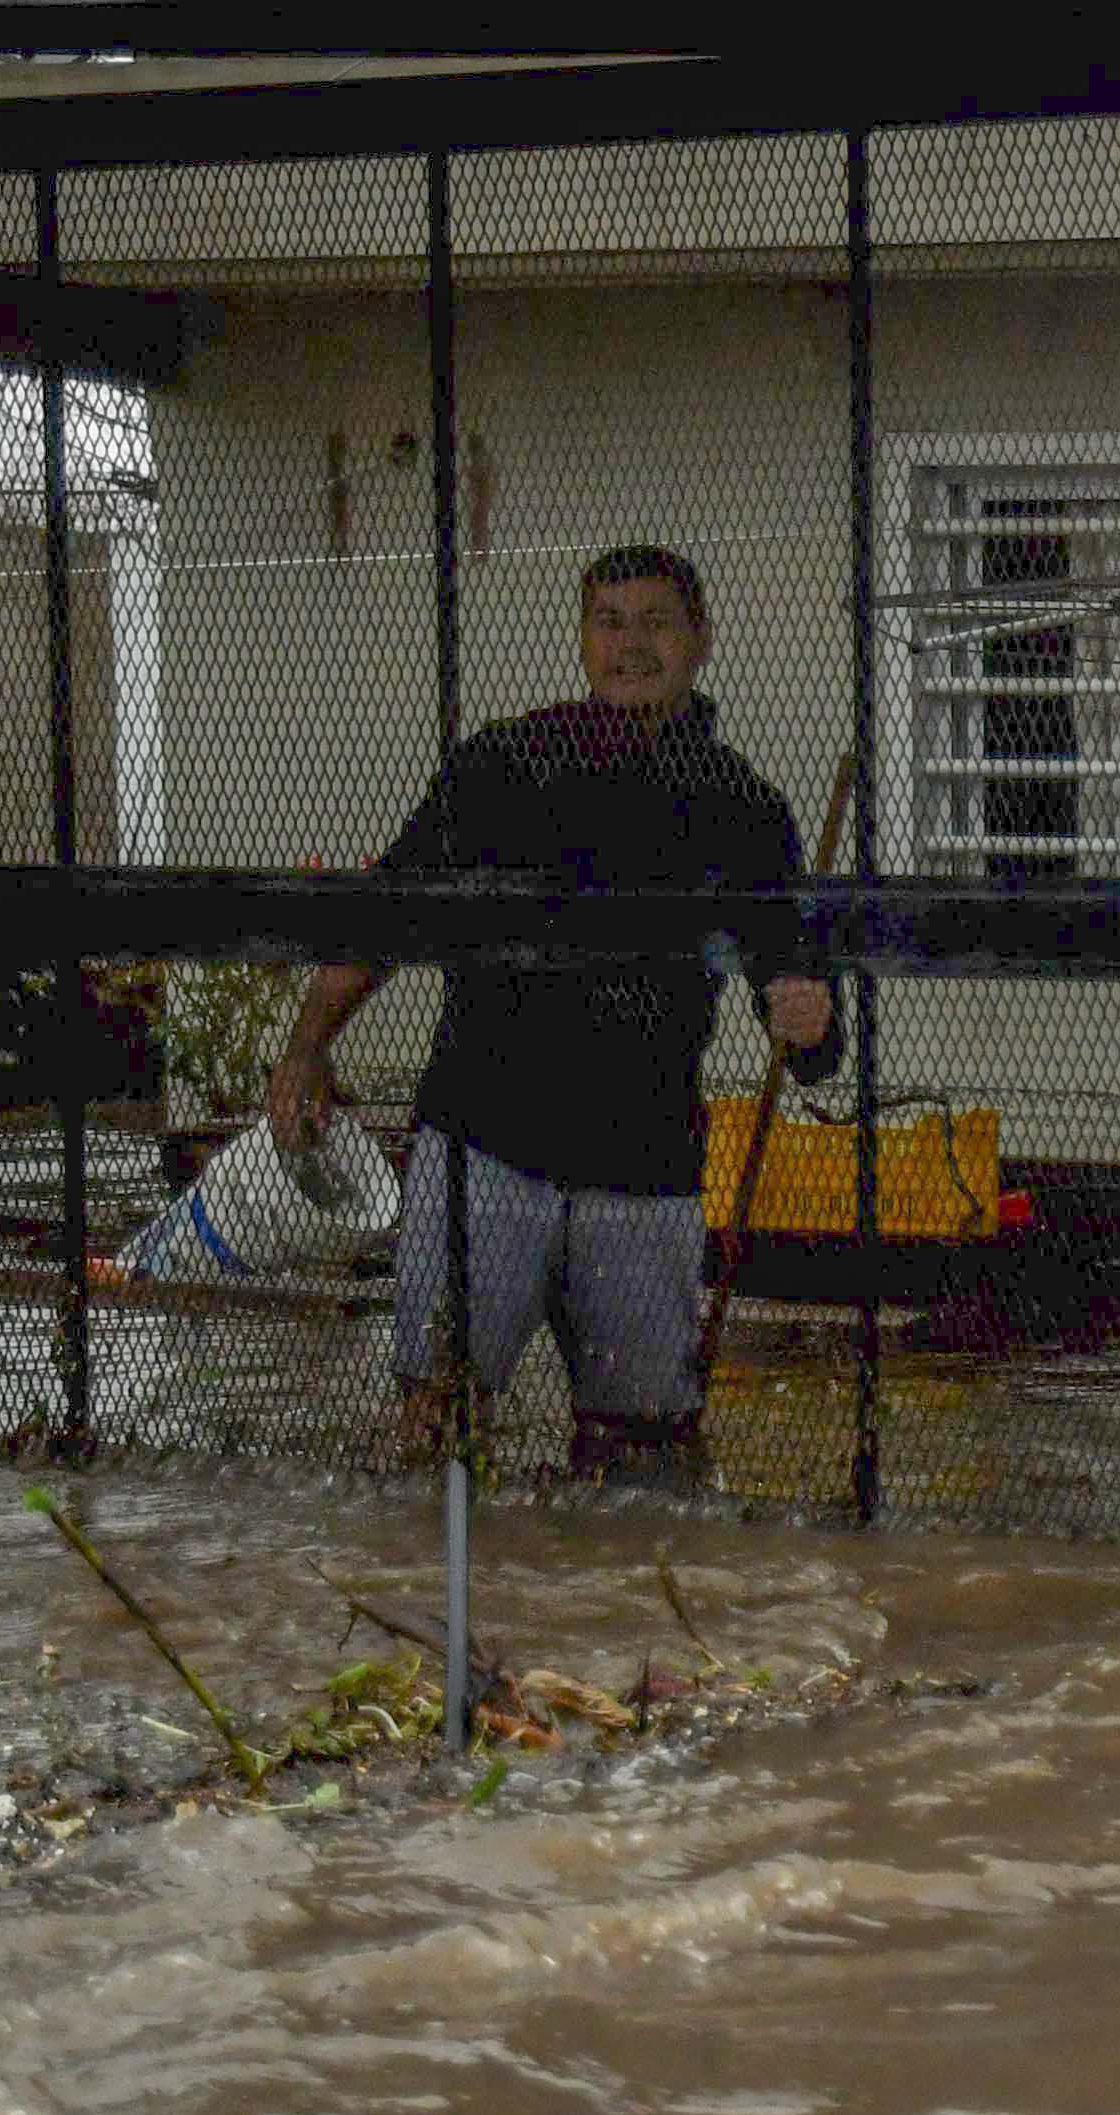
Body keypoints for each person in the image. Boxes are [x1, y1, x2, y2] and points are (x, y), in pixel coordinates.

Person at [266, 543, 833, 1480]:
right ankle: (437, 1614)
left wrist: (809, 1025)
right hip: (487, 1150)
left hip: (644, 1171)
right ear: (581, 641)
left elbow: (804, 1007)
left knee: (646, 1455)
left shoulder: (746, 810)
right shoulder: (502, 766)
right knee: (434, 1428)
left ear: (702, 641)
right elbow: (389, 913)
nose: (632, 645)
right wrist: (305, 1046)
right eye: (610, 622)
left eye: (657, 622)